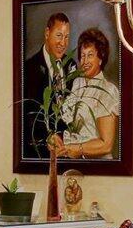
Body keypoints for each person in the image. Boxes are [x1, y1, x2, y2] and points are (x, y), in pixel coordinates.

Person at [50, 27, 120, 161]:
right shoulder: (76, 83)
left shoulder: (108, 90)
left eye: (90, 55)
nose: (85, 61)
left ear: (101, 59)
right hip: (71, 161)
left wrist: (73, 148)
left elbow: (106, 145)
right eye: (82, 56)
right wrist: (56, 139)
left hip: (97, 167)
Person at [21, 11, 71, 160]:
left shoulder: (71, 65)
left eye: (67, 37)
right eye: (59, 35)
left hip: (67, 154)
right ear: (47, 33)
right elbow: (27, 114)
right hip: (39, 156)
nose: (63, 43)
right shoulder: (29, 68)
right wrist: (48, 135)